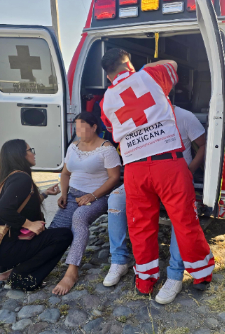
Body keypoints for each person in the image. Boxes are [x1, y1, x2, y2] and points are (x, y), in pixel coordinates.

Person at [99, 48, 214, 295]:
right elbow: (172, 62)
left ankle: (145, 281)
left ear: (107, 76)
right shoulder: (150, 74)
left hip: (134, 169)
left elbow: (111, 127)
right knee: (184, 221)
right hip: (167, 164)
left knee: (140, 226)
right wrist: (138, 68)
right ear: (128, 63)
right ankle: (201, 275)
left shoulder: (105, 100)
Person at [104, 103, 206, 304]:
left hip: (176, 178)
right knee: (116, 198)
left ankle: (175, 274)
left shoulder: (184, 115)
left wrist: (190, 170)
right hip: (142, 180)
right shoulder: (132, 117)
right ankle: (119, 260)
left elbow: (203, 144)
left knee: (181, 218)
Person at [48, 112, 121, 295]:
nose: (78, 131)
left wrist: (93, 196)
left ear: (94, 127)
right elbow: (65, 173)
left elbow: (114, 178)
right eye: (76, 127)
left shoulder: (107, 149)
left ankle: (72, 271)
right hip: (73, 195)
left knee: (79, 218)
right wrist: (64, 193)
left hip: (99, 196)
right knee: (56, 229)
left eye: (82, 127)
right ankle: (31, 264)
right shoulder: (73, 147)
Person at [0, 139, 73, 291]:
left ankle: (13, 269)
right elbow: (3, 210)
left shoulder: (10, 177)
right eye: (30, 150)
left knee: (47, 235)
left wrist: (45, 194)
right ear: (20, 155)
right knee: (64, 236)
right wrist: (30, 224)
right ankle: (19, 274)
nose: (33, 153)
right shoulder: (22, 178)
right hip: (7, 249)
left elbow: (22, 206)